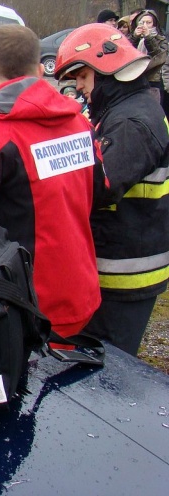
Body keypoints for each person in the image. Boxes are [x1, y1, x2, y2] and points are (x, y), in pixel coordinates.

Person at [0, 25, 99, 338]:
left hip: (22, 308)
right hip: (80, 292)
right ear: (40, 71)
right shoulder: (78, 121)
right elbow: (99, 189)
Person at [55, 23, 169, 356]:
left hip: (126, 273)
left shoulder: (134, 122)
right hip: (118, 262)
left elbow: (101, 185)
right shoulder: (125, 111)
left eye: (82, 78)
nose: (79, 88)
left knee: (109, 372)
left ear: (106, 71)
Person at [128, 9, 168, 109]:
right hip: (135, 78)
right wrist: (134, 37)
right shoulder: (132, 37)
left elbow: (158, 56)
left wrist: (148, 38)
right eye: (142, 22)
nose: (145, 25)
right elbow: (127, 53)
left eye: (148, 22)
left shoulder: (161, 40)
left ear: (154, 24)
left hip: (153, 80)